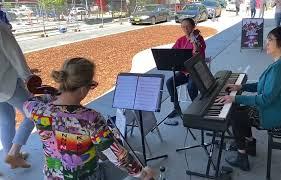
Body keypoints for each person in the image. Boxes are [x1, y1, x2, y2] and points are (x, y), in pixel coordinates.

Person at [18, 57, 155, 180]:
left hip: (52, 176)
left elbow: (28, 103)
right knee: (138, 157)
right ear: (83, 88)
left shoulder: (36, 110)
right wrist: (142, 174)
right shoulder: (89, 118)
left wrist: (52, 95)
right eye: (91, 86)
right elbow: (118, 157)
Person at [216, 25, 281, 171]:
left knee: (235, 114)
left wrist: (234, 98)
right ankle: (249, 143)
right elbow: (264, 86)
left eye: (270, 40)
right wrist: (241, 87)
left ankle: (242, 157)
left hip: (280, 115)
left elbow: (265, 100)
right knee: (240, 110)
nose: (266, 43)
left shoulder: (280, 66)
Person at [0, 22, 35, 169]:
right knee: (33, 113)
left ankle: (11, 156)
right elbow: (14, 53)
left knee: (6, 120)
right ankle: (14, 155)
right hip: (6, 82)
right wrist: (28, 77)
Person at [165, 18, 206, 125]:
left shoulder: (199, 39)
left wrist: (194, 43)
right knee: (170, 82)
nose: (185, 28)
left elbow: (198, 55)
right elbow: (172, 53)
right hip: (184, 71)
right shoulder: (181, 40)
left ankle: (196, 110)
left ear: (193, 27)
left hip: (195, 71)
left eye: (187, 26)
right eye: (183, 26)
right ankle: (176, 108)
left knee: (191, 86)